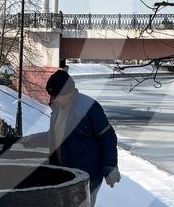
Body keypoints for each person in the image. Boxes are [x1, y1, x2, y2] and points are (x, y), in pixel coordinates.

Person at [23, 70, 119, 198]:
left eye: (54, 95)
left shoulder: (89, 108)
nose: (51, 99)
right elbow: (57, 136)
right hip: (64, 175)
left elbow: (108, 137)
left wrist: (110, 166)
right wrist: (35, 139)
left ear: (66, 93)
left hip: (87, 176)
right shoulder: (57, 109)